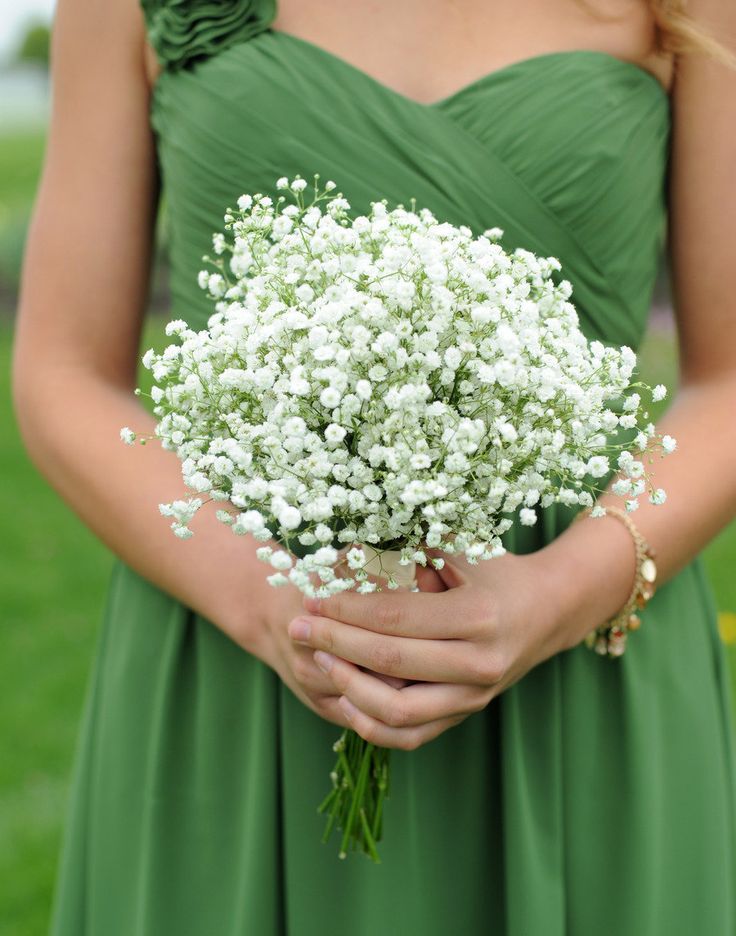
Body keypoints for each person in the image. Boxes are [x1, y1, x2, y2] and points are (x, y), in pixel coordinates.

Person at [12, 0, 736, 933]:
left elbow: (727, 383)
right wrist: (270, 605)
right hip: (240, 643)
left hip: (587, 659)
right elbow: (63, 372)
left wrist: (557, 595)